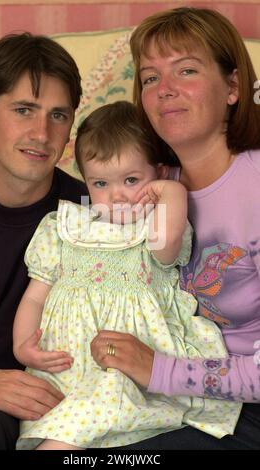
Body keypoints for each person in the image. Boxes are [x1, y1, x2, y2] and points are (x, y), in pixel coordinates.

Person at [13, 101, 241, 450]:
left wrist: (171, 192)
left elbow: (166, 246)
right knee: (59, 426)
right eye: (101, 182)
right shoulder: (63, 227)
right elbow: (34, 295)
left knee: (73, 431)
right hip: (67, 365)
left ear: (159, 174)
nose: (117, 195)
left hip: (128, 368)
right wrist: (23, 346)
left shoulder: (155, 226)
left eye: (132, 180)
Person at [91, 7, 260, 450]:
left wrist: (158, 369)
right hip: (180, 397)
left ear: (232, 87)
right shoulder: (147, 186)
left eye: (185, 70)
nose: (165, 90)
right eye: (150, 78)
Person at [0, 32, 88, 450]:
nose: (41, 133)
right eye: (23, 110)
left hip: (64, 412)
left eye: (58, 115)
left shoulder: (94, 216)